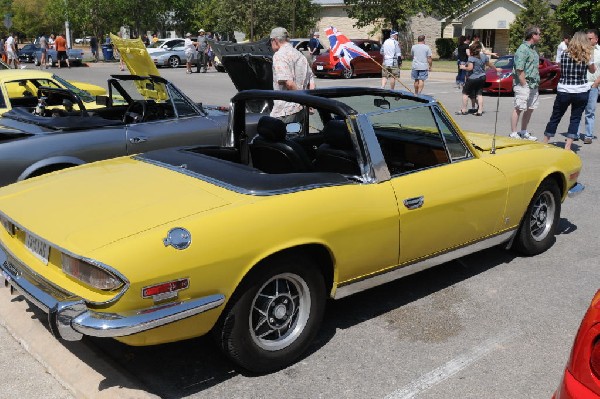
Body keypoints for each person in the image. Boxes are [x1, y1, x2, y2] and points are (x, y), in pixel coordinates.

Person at [542, 31, 596, 151]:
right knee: (575, 118)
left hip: (564, 89)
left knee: (555, 116)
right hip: (581, 90)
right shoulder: (587, 55)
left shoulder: (564, 53)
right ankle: (568, 146)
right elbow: (592, 71)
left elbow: (560, 67)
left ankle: (545, 142)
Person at [269, 27, 315, 123]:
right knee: (299, 136)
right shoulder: (299, 55)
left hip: (285, 111)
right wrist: (309, 102)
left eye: (271, 41)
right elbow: (311, 81)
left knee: (274, 135)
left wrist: (303, 100)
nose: (270, 44)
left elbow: (288, 83)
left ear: (275, 40)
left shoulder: (279, 55)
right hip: (302, 111)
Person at [510, 26, 542, 141]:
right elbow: (519, 68)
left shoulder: (533, 49)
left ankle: (523, 131)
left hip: (534, 84)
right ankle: (513, 133)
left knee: (530, 108)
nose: (540, 36)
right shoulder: (523, 48)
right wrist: (523, 84)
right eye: (539, 34)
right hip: (524, 83)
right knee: (519, 107)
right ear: (533, 35)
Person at [456, 41, 490, 116]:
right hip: (482, 77)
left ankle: (464, 109)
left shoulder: (472, 58)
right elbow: (487, 65)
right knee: (479, 94)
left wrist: (463, 67)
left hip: (473, 78)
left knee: (465, 93)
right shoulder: (484, 56)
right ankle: (480, 110)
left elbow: (470, 68)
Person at [581, 29, 600, 144]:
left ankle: (588, 135)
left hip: (593, 85)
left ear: (596, 39)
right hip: (581, 84)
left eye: (590, 39)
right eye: (586, 39)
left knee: (590, 111)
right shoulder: (582, 50)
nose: (587, 41)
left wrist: (597, 83)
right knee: (577, 110)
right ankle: (575, 133)